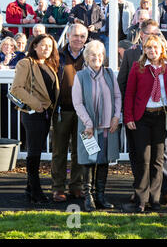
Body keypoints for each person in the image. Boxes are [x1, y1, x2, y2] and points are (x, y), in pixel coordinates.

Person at [118, 19, 167, 205]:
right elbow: (128, 92)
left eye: (155, 47)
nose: (152, 50)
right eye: (148, 47)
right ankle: (140, 197)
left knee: (158, 159)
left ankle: (156, 197)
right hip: (141, 117)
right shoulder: (136, 65)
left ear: (161, 48)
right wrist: (127, 116)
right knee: (142, 159)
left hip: (160, 116)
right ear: (144, 46)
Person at [72, 40, 121, 212]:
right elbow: (77, 103)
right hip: (89, 128)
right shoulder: (80, 76)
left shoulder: (109, 74)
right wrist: (88, 123)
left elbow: (117, 97)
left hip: (108, 127)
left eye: (100, 54)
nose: (97, 58)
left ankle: (101, 196)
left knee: (103, 161)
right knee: (88, 161)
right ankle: (88, 198)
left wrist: (116, 117)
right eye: (93, 54)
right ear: (86, 57)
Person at [10, 34, 60, 203]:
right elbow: (16, 88)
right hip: (33, 115)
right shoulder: (26, 63)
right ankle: (36, 192)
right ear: (35, 46)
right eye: (43, 45)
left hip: (46, 114)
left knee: (35, 150)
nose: (47, 49)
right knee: (34, 153)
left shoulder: (49, 65)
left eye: (50, 46)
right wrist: (35, 103)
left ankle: (30, 188)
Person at [50, 23, 88, 202]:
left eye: (82, 36)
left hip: (83, 112)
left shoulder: (90, 55)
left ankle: (76, 186)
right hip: (62, 110)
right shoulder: (57, 54)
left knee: (80, 151)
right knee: (59, 151)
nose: (78, 39)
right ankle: (58, 188)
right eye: (75, 35)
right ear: (68, 36)